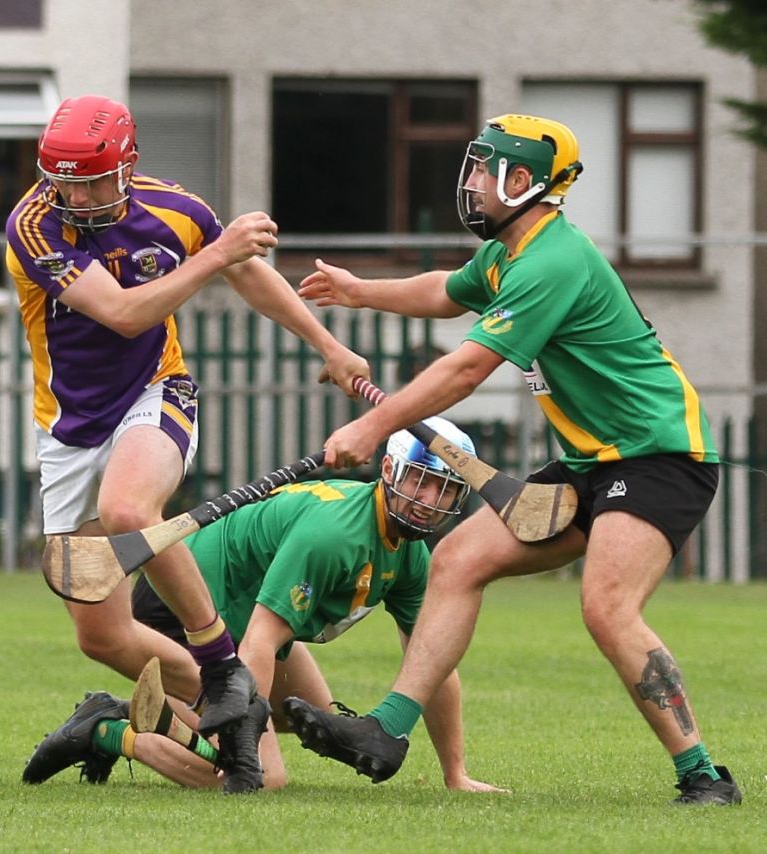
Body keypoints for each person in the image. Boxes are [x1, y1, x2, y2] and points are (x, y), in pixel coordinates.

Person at [290, 114, 741, 806]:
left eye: (482, 169)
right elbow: (446, 291)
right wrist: (359, 292)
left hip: (660, 454)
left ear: (522, 181)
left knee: (608, 606)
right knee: (458, 561)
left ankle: (704, 776)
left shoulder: (551, 261)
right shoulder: (509, 252)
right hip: (593, 461)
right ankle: (385, 731)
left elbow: (468, 369)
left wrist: (376, 424)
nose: (469, 182)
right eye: (471, 165)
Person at [5, 94, 370, 783]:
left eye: (92, 180)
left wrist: (327, 344)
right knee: (102, 635)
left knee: (128, 513)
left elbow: (249, 277)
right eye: (64, 182)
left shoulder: (176, 209)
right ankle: (144, 716)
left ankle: (225, 668)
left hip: (155, 395)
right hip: (68, 428)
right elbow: (120, 313)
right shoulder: (33, 226)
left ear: (129, 164)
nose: (77, 197)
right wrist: (218, 253)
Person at [22, 419, 505, 795]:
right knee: (262, 776)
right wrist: (242, 748)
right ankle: (109, 728)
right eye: (420, 481)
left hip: (247, 619)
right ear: (387, 471)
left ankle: (163, 714)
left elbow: (432, 661)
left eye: (445, 489)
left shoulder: (412, 556)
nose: (429, 500)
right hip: (189, 616)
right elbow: (262, 640)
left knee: (310, 718)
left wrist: (455, 773)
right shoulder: (335, 536)